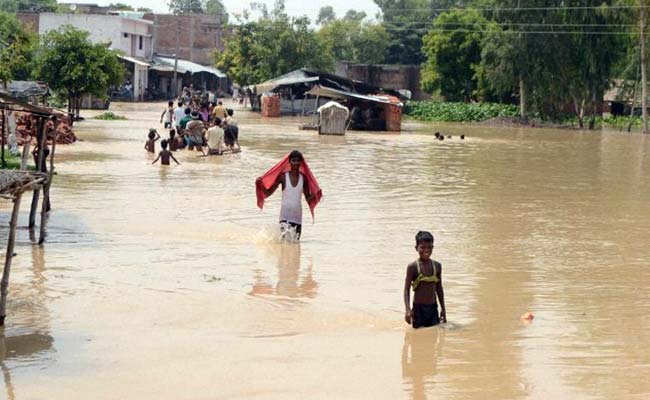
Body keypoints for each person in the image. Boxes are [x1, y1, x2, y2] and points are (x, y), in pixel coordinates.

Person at [255, 150, 322, 240]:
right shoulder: (283, 177)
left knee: (295, 242)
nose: (296, 163)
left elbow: (308, 199)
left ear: (301, 162)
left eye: (298, 160)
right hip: (285, 215)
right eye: (293, 160)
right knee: (284, 243)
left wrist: (316, 195)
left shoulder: (304, 178)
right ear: (289, 161)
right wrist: (261, 184)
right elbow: (268, 193)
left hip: (297, 216)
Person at [403, 231, 446, 329]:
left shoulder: (437, 266)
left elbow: (439, 289)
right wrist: (408, 310)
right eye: (422, 247)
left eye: (429, 247)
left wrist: (443, 309)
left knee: (433, 337)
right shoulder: (413, 267)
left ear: (433, 248)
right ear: (416, 248)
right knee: (418, 338)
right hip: (418, 310)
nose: (426, 250)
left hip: (433, 309)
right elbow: (406, 289)